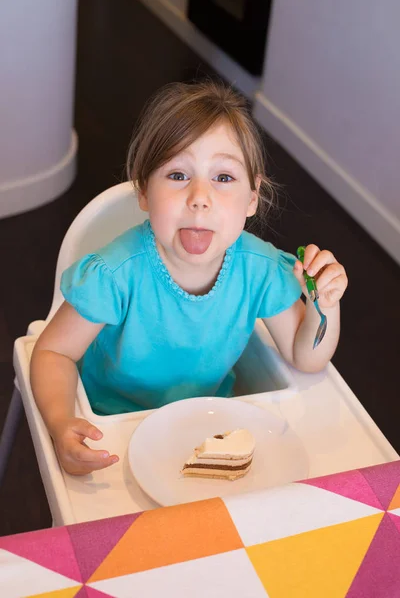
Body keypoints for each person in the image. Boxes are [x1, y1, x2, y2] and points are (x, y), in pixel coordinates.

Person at [30, 80, 348, 475]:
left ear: (252, 197)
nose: (200, 197)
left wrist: (324, 306)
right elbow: (52, 353)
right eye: (178, 175)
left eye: (224, 178)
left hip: (210, 426)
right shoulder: (115, 275)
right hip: (114, 429)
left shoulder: (260, 269)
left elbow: (307, 357)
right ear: (144, 190)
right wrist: (61, 424)